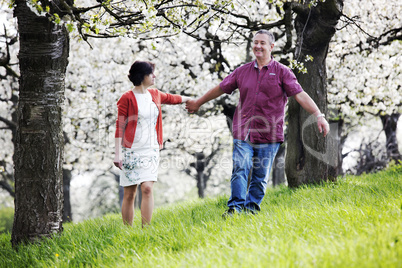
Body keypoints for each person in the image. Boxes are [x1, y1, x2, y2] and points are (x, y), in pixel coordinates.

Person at [186, 30, 330, 216]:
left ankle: (251, 210)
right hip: (243, 132)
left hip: (269, 134)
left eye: (262, 43)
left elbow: (299, 94)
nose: (258, 46)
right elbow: (221, 89)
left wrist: (319, 115)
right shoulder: (242, 71)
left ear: (271, 47)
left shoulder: (282, 72)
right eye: (255, 42)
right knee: (241, 167)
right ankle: (235, 209)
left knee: (260, 177)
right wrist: (198, 102)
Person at [114, 61, 191, 227]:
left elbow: (172, 98)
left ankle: (146, 230)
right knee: (129, 193)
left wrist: (191, 100)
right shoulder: (126, 98)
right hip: (131, 151)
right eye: (151, 74)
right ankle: (127, 230)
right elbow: (119, 126)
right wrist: (117, 154)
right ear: (142, 76)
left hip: (151, 149)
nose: (154, 76)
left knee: (147, 188)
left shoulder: (155, 94)